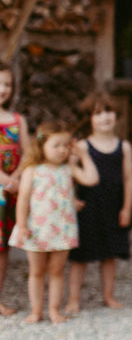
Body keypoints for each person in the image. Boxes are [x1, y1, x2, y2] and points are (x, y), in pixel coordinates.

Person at [10, 121, 99, 324]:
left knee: (57, 271)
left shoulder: (68, 168)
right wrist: (22, 225)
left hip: (62, 229)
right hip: (36, 230)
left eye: (65, 145)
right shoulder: (32, 170)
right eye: (56, 145)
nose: (62, 150)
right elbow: (23, 199)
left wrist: (83, 156)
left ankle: (54, 310)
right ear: (42, 146)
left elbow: (92, 179)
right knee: (37, 271)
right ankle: (36, 310)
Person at [66, 92, 132, 315]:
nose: (105, 117)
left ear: (116, 115)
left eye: (109, 112)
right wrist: (71, 199)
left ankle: (109, 296)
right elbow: (68, 173)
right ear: (89, 119)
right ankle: (73, 299)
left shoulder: (123, 147)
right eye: (98, 114)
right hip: (88, 207)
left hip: (113, 207)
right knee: (80, 257)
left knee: (109, 254)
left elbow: (129, 178)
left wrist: (127, 207)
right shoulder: (83, 147)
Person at [0, 62, 29, 317]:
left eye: (7, 84)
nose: (2, 89)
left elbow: (29, 153)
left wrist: (16, 178)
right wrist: (3, 179)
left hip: (11, 192)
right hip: (3, 185)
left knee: (2, 247)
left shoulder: (18, 120)